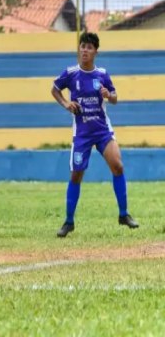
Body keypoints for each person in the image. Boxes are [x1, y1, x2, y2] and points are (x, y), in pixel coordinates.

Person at [52, 32, 139, 238]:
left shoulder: (102, 74)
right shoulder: (71, 73)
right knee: (76, 175)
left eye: (89, 47)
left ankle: (124, 215)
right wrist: (66, 104)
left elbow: (115, 97)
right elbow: (55, 89)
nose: (84, 50)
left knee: (118, 166)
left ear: (95, 52)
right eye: (82, 46)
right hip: (82, 133)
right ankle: (68, 222)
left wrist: (110, 95)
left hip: (102, 131)